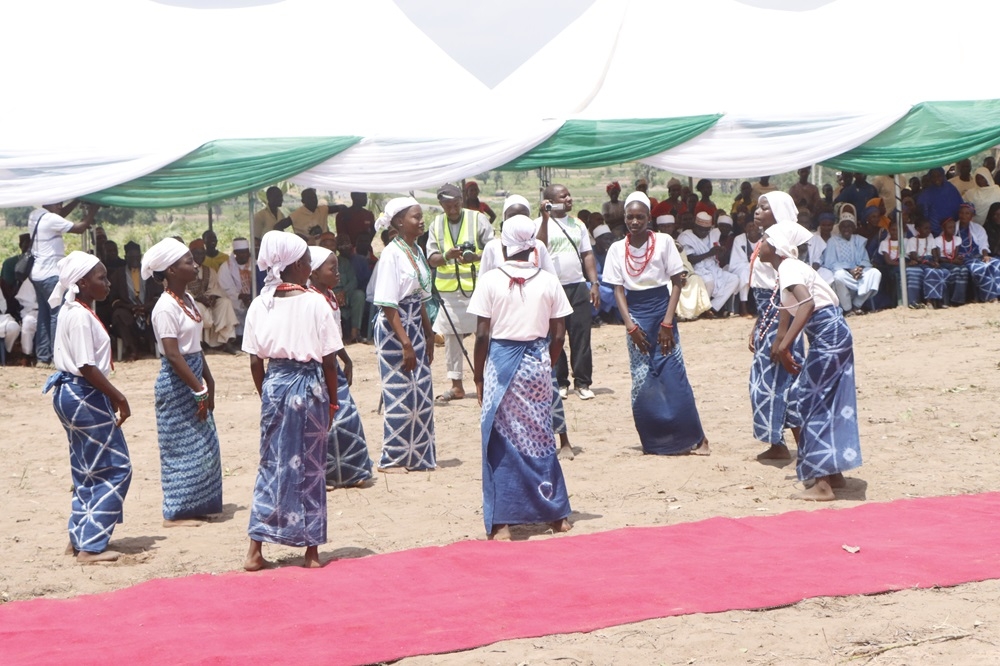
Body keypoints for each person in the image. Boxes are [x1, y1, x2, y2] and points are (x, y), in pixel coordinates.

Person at [469, 215, 574, 540]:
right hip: (537, 363)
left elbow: (482, 335)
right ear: (532, 245)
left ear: (504, 244)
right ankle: (555, 515)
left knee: (499, 439)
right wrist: (545, 362)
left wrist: (478, 377)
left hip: (500, 364)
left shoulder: (489, 281)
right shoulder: (548, 280)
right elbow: (559, 335)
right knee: (541, 436)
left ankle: (502, 520)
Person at [241, 231, 341, 571]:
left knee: (271, 463)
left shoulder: (259, 303)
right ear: (297, 265)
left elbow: (255, 361)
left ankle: (255, 549)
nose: (311, 267)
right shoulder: (316, 303)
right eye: (308, 261)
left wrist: (267, 392)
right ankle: (311, 552)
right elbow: (330, 361)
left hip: (275, 385)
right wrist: (332, 401)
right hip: (309, 385)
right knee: (311, 467)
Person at [759, 224, 863, 501]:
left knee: (805, 400)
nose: (760, 244)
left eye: (765, 240)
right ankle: (833, 472)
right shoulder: (787, 269)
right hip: (831, 333)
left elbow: (806, 305)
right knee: (824, 401)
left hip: (827, 334)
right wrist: (782, 342)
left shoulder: (789, 268)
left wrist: (783, 347)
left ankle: (822, 484)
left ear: (778, 248)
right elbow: (788, 312)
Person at [42, 251, 131, 562]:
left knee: (86, 468)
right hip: (83, 393)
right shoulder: (79, 316)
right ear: (82, 282)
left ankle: (78, 536)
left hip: (71, 393)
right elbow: (87, 366)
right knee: (117, 467)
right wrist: (118, 397)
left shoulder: (73, 310)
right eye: (101, 278)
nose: (107, 283)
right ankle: (91, 545)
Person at [603, 192, 709, 455]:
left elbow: (677, 282)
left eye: (640, 217)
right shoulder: (618, 249)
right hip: (635, 314)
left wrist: (668, 322)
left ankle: (697, 438)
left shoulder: (662, 242)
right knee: (642, 378)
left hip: (663, 310)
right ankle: (655, 442)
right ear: (624, 218)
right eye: (630, 217)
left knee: (673, 373)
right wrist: (630, 326)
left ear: (649, 218)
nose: (635, 222)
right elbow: (618, 290)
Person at [143, 238, 224, 526]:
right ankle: (176, 513)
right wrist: (199, 387)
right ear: (171, 271)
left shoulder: (187, 300)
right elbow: (174, 355)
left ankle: (197, 504)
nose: (195, 265)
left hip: (193, 375)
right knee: (179, 447)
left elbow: (194, 348)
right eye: (188, 261)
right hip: (178, 382)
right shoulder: (165, 307)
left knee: (203, 445)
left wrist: (208, 379)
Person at [372, 197, 437, 472]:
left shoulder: (416, 250)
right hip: (394, 330)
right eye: (415, 217)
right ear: (399, 222)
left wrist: (428, 332)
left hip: (414, 325)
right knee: (399, 393)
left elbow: (420, 296)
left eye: (421, 216)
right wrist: (406, 343)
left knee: (420, 392)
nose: (421, 221)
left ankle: (419, 455)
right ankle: (395, 457)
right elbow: (387, 304)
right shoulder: (391, 254)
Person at [748, 191, 813, 461]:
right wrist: (757, 323)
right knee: (769, 381)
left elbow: (784, 293)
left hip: (781, 317)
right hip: (769, 314)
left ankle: (801, 446)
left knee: (781, 380)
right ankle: (778, 443)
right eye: (758, 207)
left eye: (765, 208)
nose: (757, 211)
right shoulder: (767, 239)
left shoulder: (783, 243)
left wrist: (781, 335)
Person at [307, 246, 373, 489]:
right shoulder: (311, 300)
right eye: (331, 268)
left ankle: (350, 472)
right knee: (330, 421)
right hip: (320, 367)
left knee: (344, 418)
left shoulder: (330, 296)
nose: (338, 273)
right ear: (313, 272)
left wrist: (347, 359)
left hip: (333, 362)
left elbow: (333, 337)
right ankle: (323, 475)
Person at [426, 183, 494, 403]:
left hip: (478, 288)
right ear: (441, 204)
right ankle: (457, 385)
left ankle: (489, 380)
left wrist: (476, 256)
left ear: (462, 201)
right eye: (448, 205)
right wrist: (447, 256)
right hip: (450, 293)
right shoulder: (436, 224)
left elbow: (494, 251)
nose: (452, 209)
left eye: (456, 204)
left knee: (484, 336)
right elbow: (432, 259)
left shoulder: (478, 219)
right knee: (451, 338)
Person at [536, 184, 601, 400]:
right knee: (556, 336)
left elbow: (587, 254)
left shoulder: (578, 224)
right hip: (553, 288)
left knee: (581, 335)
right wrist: (545, 219)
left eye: (569, 195)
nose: (569, 199)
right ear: (550, 201)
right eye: (563, 196)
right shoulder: (539, 224)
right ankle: (561, 382)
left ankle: (583, 383)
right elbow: (540, 247)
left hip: (577, 286)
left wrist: (594, 283)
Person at [28, 201, 97, 367]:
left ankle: (42, 357)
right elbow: (80, 227)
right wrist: (93, 209)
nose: (60, 206)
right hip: (51, 274)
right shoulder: (51, 219)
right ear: (48, 203)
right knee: (56, 314)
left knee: (44, 315)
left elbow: (58, 215)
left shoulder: (36, 215)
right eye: (58, 203)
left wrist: (77, 200)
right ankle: (55, 356)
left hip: (37, 274)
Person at [677, 211, 740, 316]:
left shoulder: (712, 234)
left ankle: (712, 307)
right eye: (700, 229)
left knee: (734, 279)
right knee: (708, 281)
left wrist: (720, 252)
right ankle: (702, 309)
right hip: (695, 268)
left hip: (712, 267)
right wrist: (709, 253)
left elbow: (716, 255)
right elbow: (690, 259)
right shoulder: (686, 236)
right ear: (695, 226)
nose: (703, 233)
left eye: (706, 230)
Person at [108, 241, 162, 360]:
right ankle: (132, 349)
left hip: (147, 309)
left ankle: (153, 346)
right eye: (131, 257)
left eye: (137, 256)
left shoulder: (150, 273)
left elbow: (158, 294)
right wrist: (130, 307)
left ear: (141, 256)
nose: (135, 259)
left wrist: (146, 306)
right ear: (125, 257)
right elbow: (114, 299)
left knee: (159, 312)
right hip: (128, 310)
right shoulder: (118, 274)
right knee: (119, 315)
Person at [822, 212, 882, 314]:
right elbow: (829, 263)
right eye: (844, 226)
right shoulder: (833, 241)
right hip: (843, 273)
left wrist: (859, 269)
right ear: (839, 228)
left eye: (849, 226)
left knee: (875, 273)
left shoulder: (858, 240)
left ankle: (856, 305)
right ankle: (848, 309)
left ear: (854, 228)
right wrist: (850, 270)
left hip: (858, 272)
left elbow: (865, 260)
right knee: (838, 276)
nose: (846, 229)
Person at [187, 240, 240, 354]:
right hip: (192, 302)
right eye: (197, 253)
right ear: (191, 254)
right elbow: (182, 291)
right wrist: (197, 298)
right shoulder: (184, 269)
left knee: (225, 302)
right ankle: (199, 343)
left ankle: (227, 342)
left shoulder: (209, 270)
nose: (200, 256)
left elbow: (215, 288)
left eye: (202, 253)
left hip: (207, 301)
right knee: (198, 306)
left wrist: (213, 297)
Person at [956, 203, 1000, 302]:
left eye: (967, 213)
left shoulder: (978, 228)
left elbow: (984, 245)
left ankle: (997, 294)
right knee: (980, 268)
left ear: (972, 216)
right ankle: (989, 297)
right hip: (963, 259)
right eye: (962, 213)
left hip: (978, 256)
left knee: (996, 263)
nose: (964, 216)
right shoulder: (953, 227)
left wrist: (985, 256)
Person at [904, 218, 948, 308]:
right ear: (918, 229)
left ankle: (938, 301)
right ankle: (927, 301)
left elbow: (934, 254)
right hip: (920, 262)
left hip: (929, 261)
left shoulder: (930, 239)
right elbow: (914, 256)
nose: (928, 230)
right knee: (928, 272)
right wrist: (928, 263)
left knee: (941, 272)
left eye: (929, 228)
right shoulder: (912, 240)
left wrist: (935, 262)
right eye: (925, 228)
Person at [217, 238, 255, 334]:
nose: (244, 255)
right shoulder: (226, 267)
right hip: (235, 300)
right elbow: (224, 288)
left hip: (254, 298)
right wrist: (240, 296)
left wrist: (251, 297)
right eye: (241, 253)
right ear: (235, 253)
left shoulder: (256, 264)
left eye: (246, 252)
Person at [727, 217, 760, 317]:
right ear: (745, 229)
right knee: (746, 271)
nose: (752, 228)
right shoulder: (739, 239)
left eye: (754, 226)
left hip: (759, 266)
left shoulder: (763, 239)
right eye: (749, 226)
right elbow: (739, 259)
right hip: (740, 266)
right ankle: (743, 306)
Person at [918, 167, 964, 235]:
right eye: (933, 176)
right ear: (930, 178)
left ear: (943, 176)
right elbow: (923, 212)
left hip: (953, 228)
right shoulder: (927, 193)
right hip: (934, 230)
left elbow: (960, 204)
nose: (936, 179)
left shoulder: (950, 188)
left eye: (939, 176)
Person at [937, 217, 969, 307]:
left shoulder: (957, 239)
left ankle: (959, 299)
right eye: (950, 228)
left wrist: (956, 260)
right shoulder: (938, 240)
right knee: (955, 270)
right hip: (944, 262)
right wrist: (952, 261)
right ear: (943, 229)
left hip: (952, 261)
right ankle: (953, 299)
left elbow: (955, 254)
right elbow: (939, 258)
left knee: (964, 270)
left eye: (954, 227)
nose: (953, 230)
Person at [807, 212, 837, 286]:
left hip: (833, 268)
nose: (826, 228)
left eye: (829, 225)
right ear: (820, 224)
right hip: (815, 268)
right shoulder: (813, 237)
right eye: (823, 225)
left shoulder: (836, 239)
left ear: (833, 225)